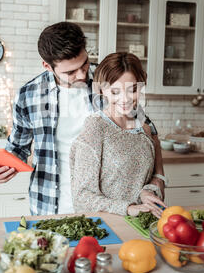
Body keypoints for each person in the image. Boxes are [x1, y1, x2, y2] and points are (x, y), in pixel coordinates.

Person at [0, 22, 166, 216]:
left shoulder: (107, 78)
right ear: (47, 66)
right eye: (70, 72)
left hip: (105, 206)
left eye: (84, 63)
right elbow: (18, 148)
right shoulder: (29, 95)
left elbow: (147, 130)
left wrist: (158, 177)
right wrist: (4, 167)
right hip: (48, 203)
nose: (82, 74)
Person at [69, 52, 167, 218]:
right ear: (102, 91)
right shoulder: (95, 128)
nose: (125, 99)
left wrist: (147, 193)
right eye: (115, 92)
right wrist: (128, 208)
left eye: (133, 89)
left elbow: (155, 178)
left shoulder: (146, 129)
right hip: (109, 226)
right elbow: (82, 197)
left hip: (143, 223)